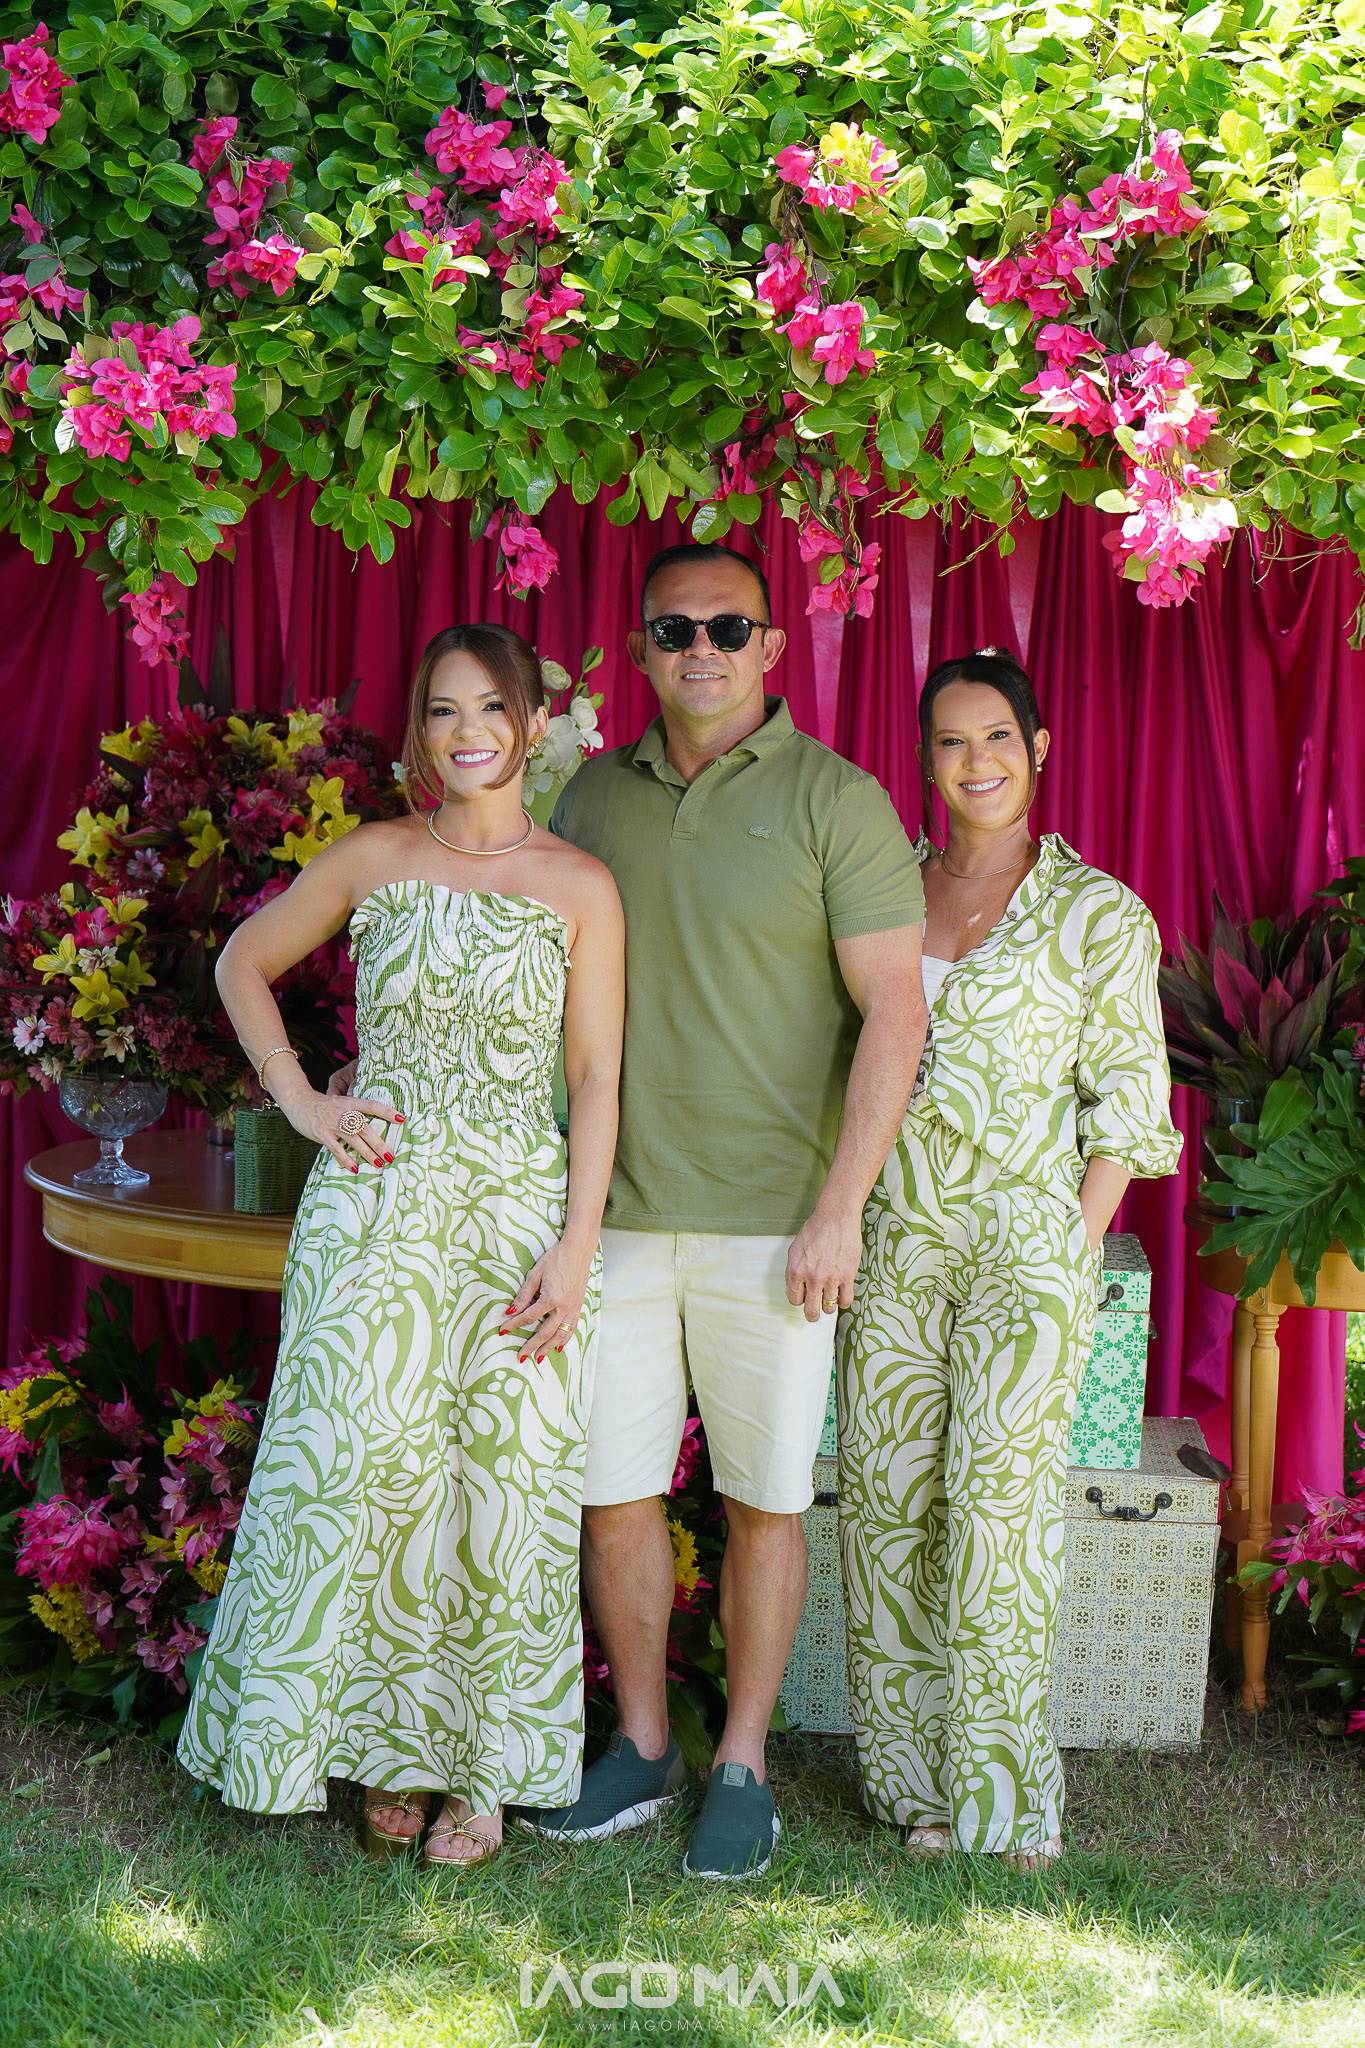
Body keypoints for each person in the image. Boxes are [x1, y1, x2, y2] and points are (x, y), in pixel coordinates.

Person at [178, 624, 625, 1870]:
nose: (467, 732)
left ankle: (484, 1776)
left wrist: (578, 1243)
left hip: (519, 1219)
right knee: (360, 1474)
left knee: (505, 1486)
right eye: (442, 709)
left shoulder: (582, 884)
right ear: (421, 729)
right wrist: (302, 1100)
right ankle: (386, 1752)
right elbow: (243, 960)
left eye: (492, 707)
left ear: (536, 723)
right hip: (376, 1213)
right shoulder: (375, 854)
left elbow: (596, 1075)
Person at [515, 542, 928, 1880]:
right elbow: (531, 984)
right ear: (641, 648)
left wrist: (841, 1207)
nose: (702, 648)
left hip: (777, 1230)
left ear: (772, 647)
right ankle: (641, 1745)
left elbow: (896, 1012)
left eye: (728, 627)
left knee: (765, 1503)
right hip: (613, 1219)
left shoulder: (839, 799)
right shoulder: (588, 795)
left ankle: (741, 1762)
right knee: (613, 1495)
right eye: (675, 628)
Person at [837, 648, 1182, 1871]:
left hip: (1025, 1249)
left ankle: (1006, 1795)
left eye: (997, 737)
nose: (975, 760)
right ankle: (915, 1788)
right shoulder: (881, 891)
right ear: (923, 757)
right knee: (888, 1512)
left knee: (999, 1521)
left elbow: (1130, 1104)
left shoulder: (1098, 913)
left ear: (1038, 748)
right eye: (951, 739)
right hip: (895, 1244)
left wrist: (1069, 1246)